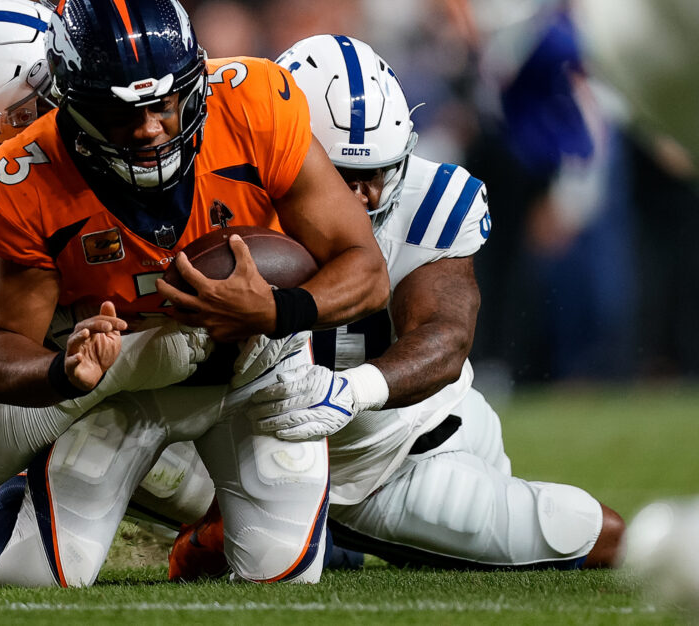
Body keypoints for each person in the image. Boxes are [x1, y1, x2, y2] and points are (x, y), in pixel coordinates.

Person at [0, 0, 389, 587]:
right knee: (34, 581)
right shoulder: (24, 179)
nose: (147, 129)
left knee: (283, 578)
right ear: (73, 105)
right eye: (119, 113)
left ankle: (206, 540)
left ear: (193, 84)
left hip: (258, 370)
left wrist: (276, 312)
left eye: (162, 103)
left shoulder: (253, 106)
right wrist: (65, 370)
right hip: (129, 387)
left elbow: (366, 269)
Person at [170, 34, 624, 577]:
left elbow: (445, 335)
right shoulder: (222, 191)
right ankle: (297, 531)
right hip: (249, 445)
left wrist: (352, 390)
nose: (367, 196)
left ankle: (331, 535)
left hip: (398, 457)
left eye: (379, 172)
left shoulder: (429, 201)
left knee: (585, 531)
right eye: (343, 175)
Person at [0, 0, 216, 584]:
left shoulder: (134, 124)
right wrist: (111, 362)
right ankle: (12, 506)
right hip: (68, 370)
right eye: (56, 81)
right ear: (8, 125)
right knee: (203, 493)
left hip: (154, 346)